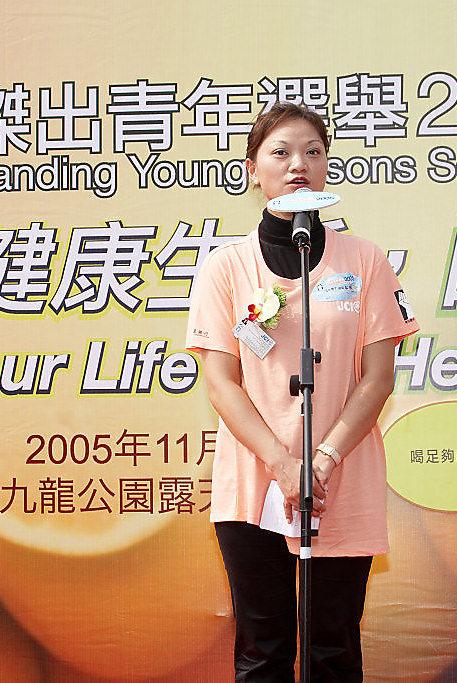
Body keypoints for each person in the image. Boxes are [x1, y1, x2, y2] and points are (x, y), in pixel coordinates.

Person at [185, 102, 419, 682]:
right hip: (254, 480)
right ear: (251, 170)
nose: (299, 165)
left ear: (327, 166)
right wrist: (282, 463)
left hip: (341, 475)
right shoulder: (225, 266)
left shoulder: (363, 260)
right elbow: (221, 382)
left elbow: (378, 377)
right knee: (262, 651)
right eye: (281, 152)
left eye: (313, 152)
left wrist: (323, 458)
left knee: (332, 651)